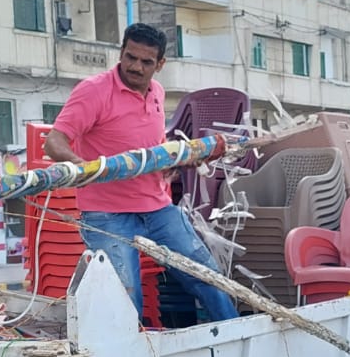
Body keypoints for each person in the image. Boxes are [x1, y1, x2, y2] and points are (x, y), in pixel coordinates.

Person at [45, 24, 237, 325]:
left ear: (160, 64)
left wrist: (172, 162)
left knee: (206, 275)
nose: (135, 67)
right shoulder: (94, 90)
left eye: (146, 62)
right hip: (106, 213)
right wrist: (84, 169)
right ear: (121, 52)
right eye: (130, 57)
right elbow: (54, 141)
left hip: (157, 207)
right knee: (124, 296)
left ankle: (237, 336)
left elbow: (152, 146)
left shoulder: (157, 92)